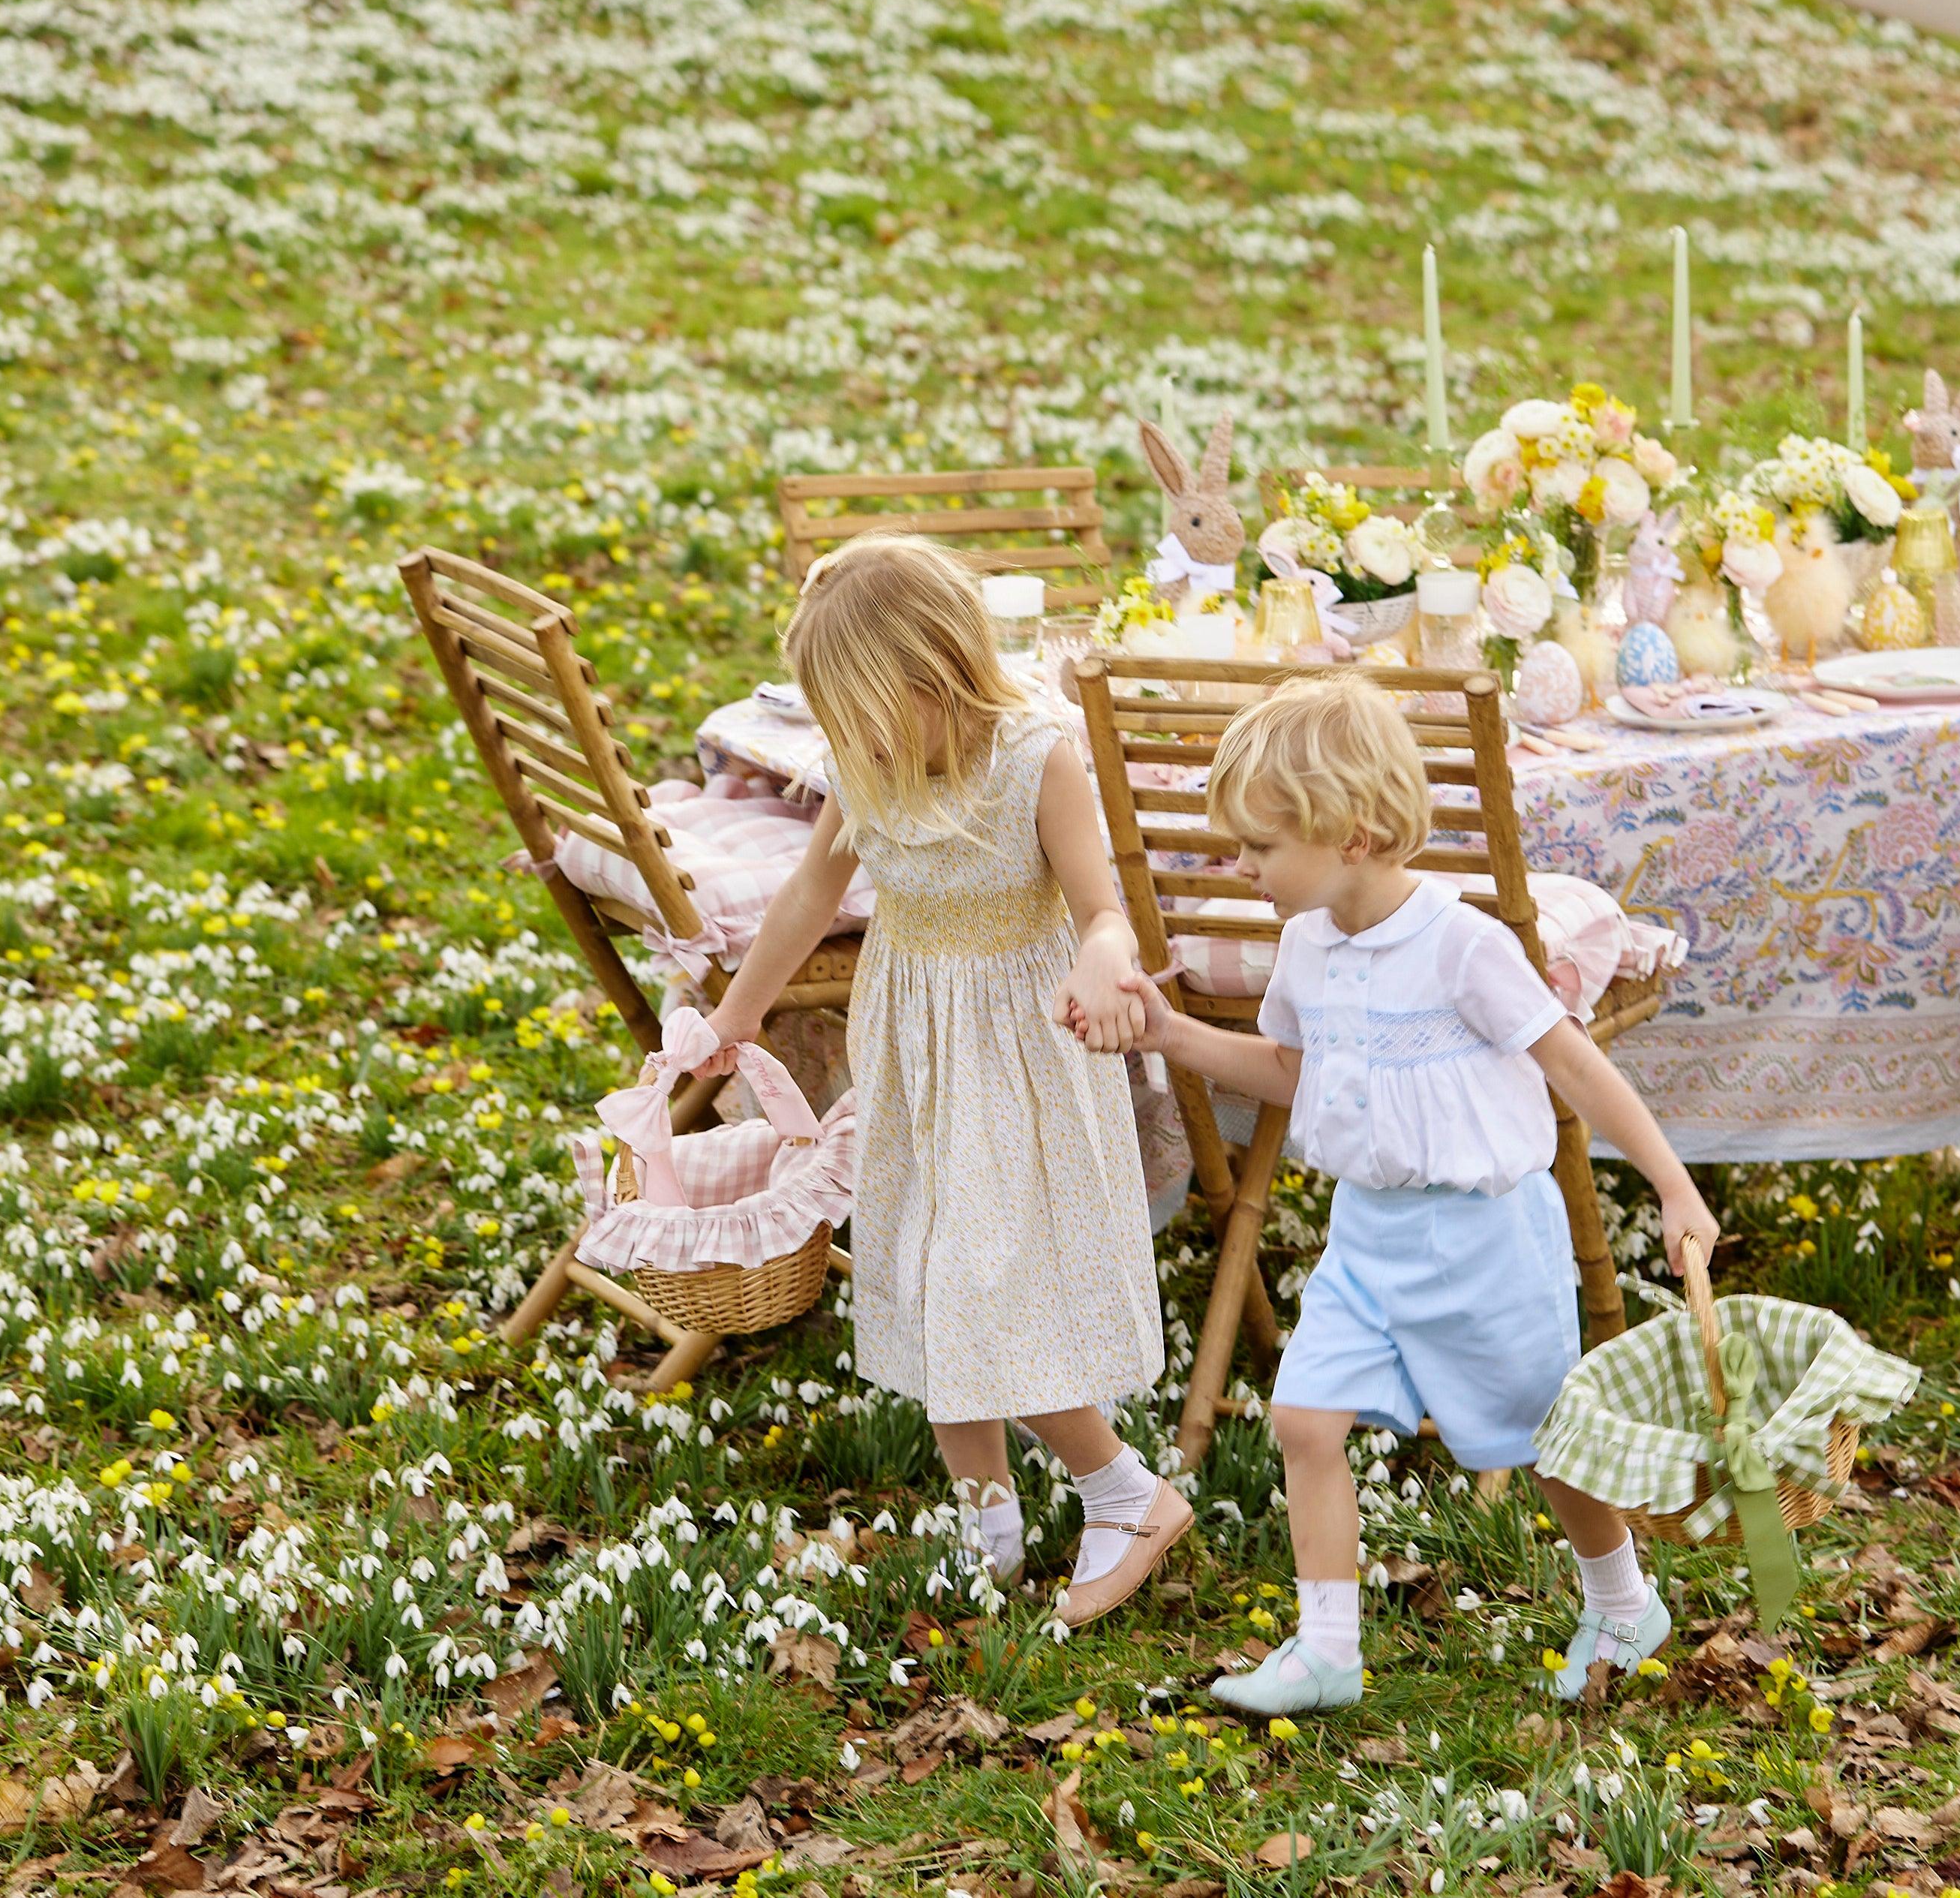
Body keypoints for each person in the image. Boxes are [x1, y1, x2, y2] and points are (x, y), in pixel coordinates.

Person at [1100, 672, 1719, 1708]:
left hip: (1486, 1239)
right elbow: (1294, 1074)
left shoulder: (1465, 945)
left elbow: (1574, 1067)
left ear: (1350, 834)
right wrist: (1171, 1035)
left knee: (1545, 1439)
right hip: (1370, 1236)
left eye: (1259, 848)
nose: (1240, 868)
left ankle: (1621, 1597)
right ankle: (1328, 1650)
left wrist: (1672, 1183)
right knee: (1303, 1420)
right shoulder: (1304, 944)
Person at [697, 531, 1188, 1623]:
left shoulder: (1037, 757)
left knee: (982, 1283)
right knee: (918, 1268)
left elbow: (1101, 909)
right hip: (915, 1043)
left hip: (1020, 1053)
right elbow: (806, 902)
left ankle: (1127, 1490)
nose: (852, 742)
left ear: (938, 678)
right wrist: (735, 1015)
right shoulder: (868, 769)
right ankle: (988, 1519)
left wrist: (1107, 960)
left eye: (866, 715)